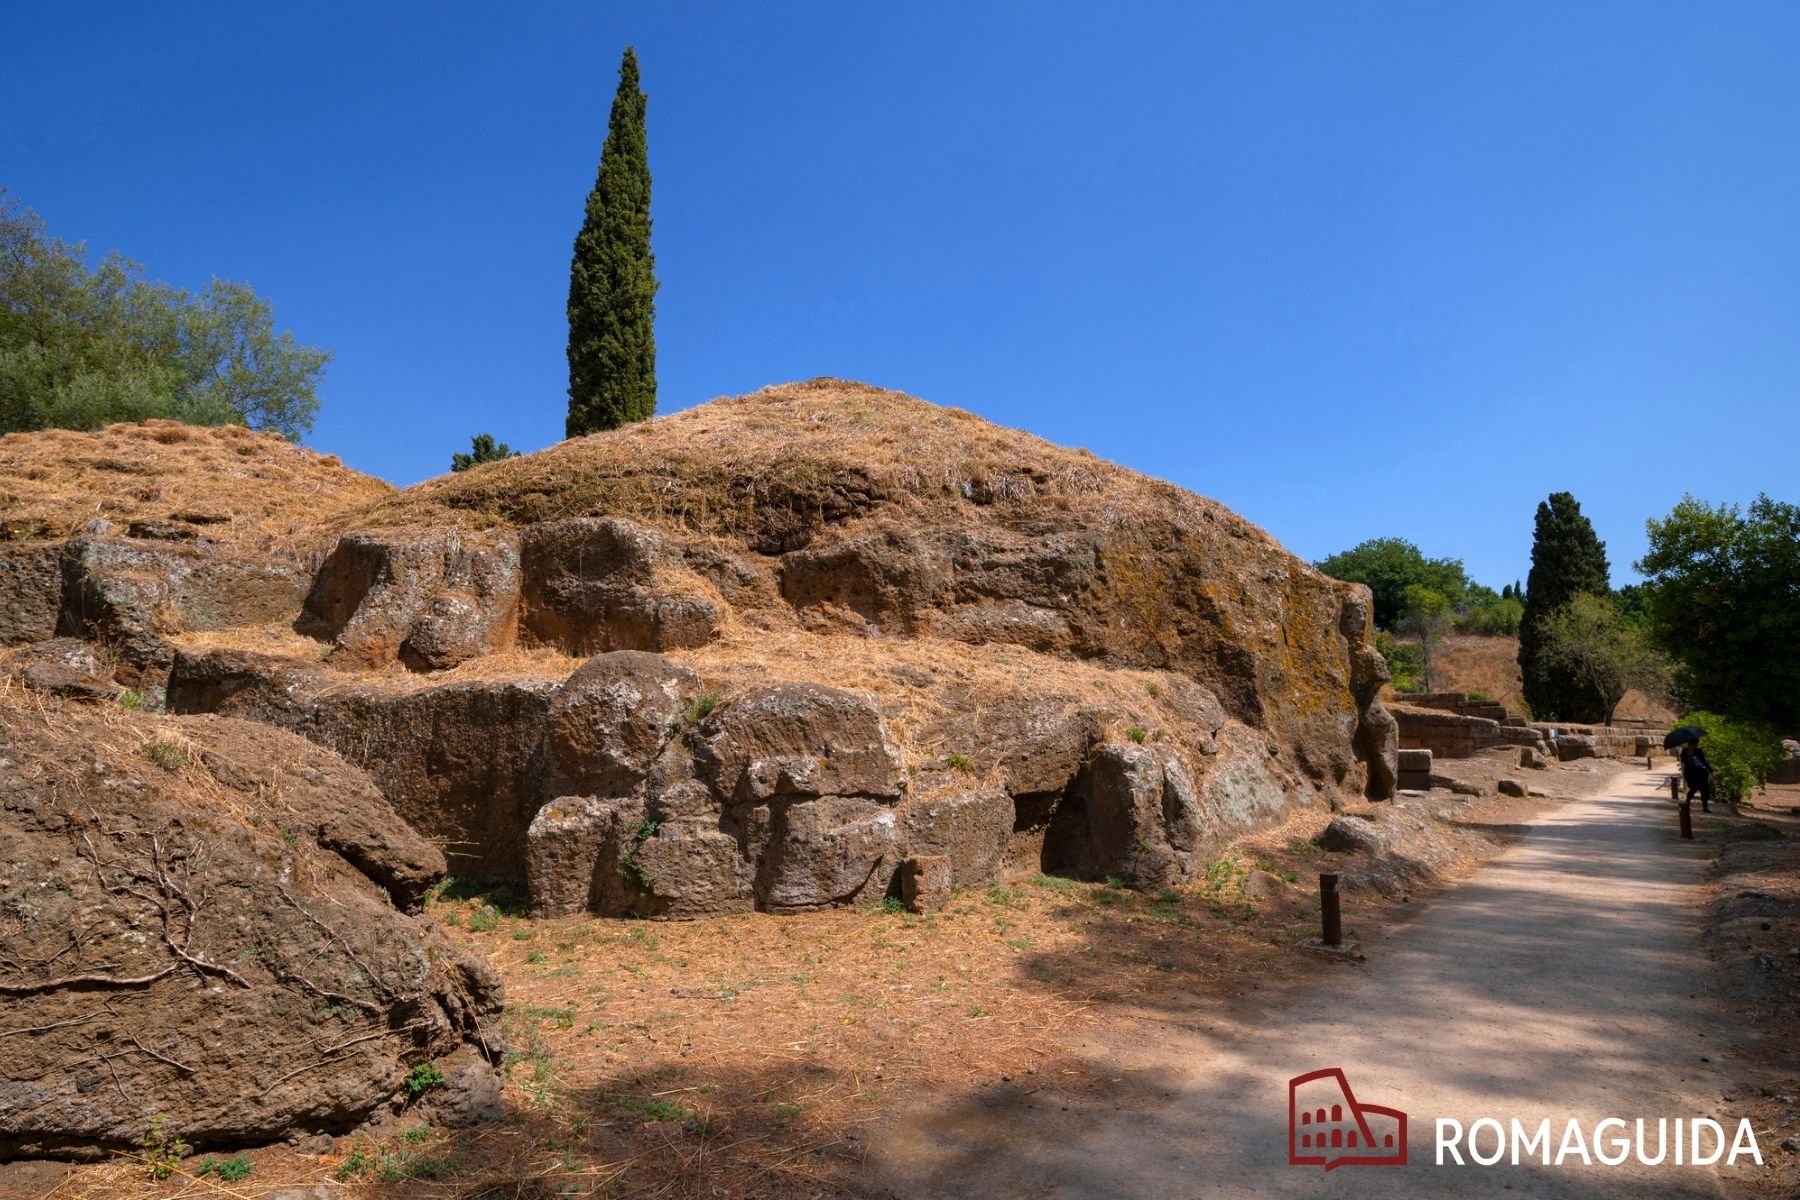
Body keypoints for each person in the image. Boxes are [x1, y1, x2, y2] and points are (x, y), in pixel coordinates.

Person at [1682, 744, 1714, 812]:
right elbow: (1703, 762)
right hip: (1696, 773)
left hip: (1696, 773)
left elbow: (1683, 761)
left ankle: (1689, 804)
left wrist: (1710, 770)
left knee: (1698, 789)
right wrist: (1711, 771)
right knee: (1698, 789)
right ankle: (1702, 807)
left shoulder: (1693, 751)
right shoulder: (1689, 751)